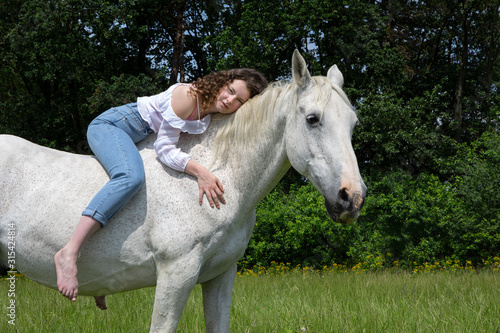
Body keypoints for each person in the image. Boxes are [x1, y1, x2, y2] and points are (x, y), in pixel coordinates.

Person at [54, 68, 268, 308]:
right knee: (129, 177)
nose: (230, 100)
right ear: (222, 83)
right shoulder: (190, 96)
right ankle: (69, 252)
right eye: (230, 91)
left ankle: (99, 270)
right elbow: (165, 149)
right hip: (113, 126)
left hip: (139, 136)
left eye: (239, 100)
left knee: (134, 196)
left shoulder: (210, 109)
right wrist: (200, 172)